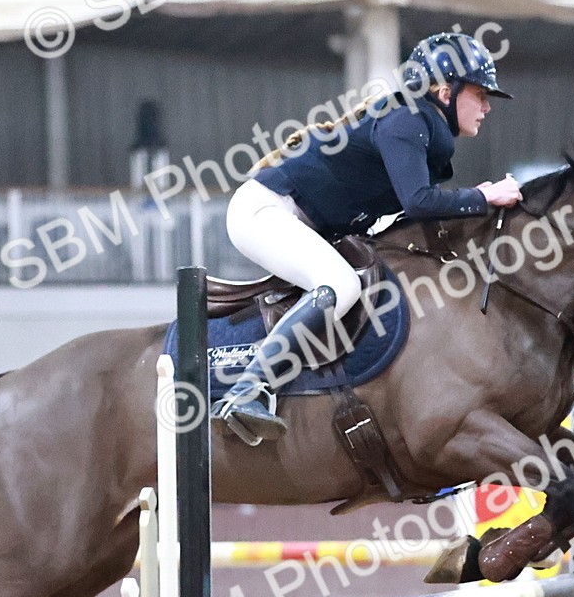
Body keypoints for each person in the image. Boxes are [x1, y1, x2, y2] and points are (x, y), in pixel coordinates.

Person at [211, 32, 524, 446]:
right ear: (445, 91)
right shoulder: (406, 121)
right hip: (266, 210)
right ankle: (246, 390)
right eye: (481, 94)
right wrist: (481, 197)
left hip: (304, 217)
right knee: (341, 284)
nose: (486, 106)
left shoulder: (423, 129)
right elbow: (418, 202)